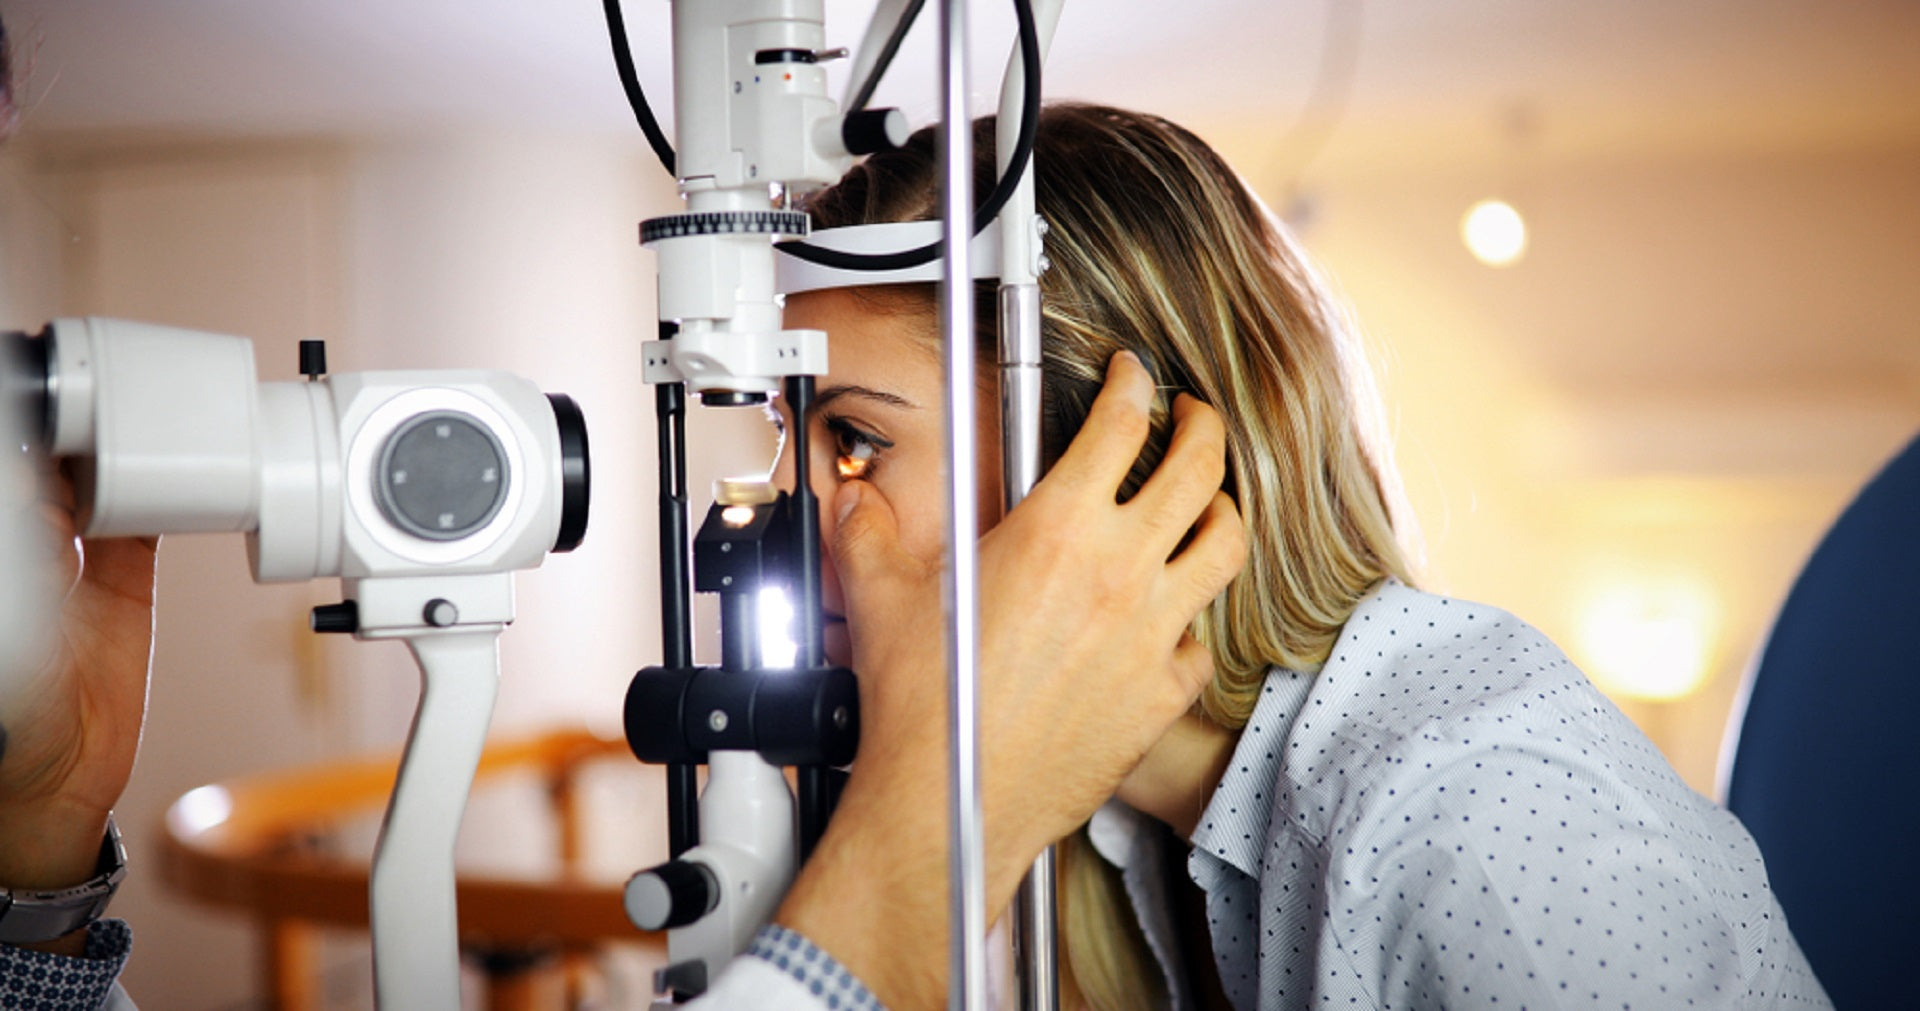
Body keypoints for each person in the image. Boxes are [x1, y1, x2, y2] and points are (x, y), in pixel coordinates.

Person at [0, 104, 1828, 1011]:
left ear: (1129, 445)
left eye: (858, 444)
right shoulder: (1139, 852)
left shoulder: (1486, 830)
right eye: (792, 447)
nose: (796, 517)